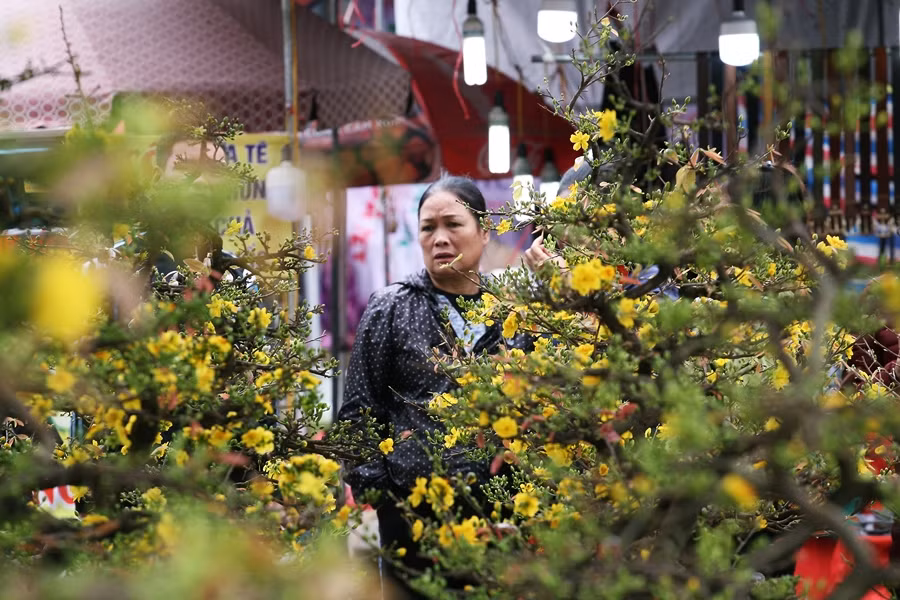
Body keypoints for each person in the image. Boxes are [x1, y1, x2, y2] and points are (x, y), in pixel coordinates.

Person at [338, 175, 531, 599]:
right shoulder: (391, 306)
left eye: (452, 225)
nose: (439, 238)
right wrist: (386, 498)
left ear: (483, 232)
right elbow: (357, 412)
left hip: (499, 508)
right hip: (414, 510)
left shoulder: (515, 311)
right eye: (428, 227)